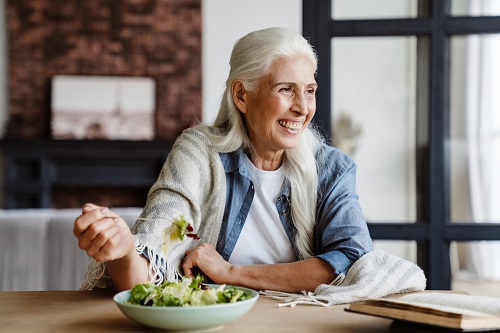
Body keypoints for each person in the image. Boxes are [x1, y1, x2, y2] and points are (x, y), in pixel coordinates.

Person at [74, 27, 372, 293]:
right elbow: (154, 256)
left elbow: (354, 263)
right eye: (286, 89)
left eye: (309, 91)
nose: (303, 108)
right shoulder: (198, 152)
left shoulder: (332, 168)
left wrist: (231, 273)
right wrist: (126, 251)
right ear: (241, 95)